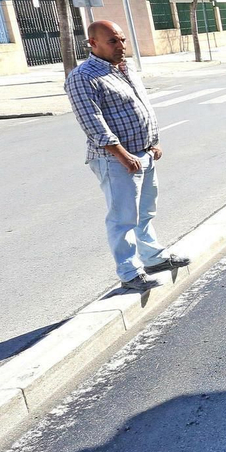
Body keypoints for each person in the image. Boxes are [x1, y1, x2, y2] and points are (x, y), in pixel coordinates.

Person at [65, 20, 190, 293]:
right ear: (93, 44)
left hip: (142, 153)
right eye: (113, 41)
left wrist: (152, 142)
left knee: (145, 212)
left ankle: (153, 258)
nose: (121, 46)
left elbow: (140, 105)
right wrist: (121, 153)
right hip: (116, 159)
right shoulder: (83, 77)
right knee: (123, 218)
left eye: (122, 39)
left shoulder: (125, 67)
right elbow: (92, 121)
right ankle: (130, 272)